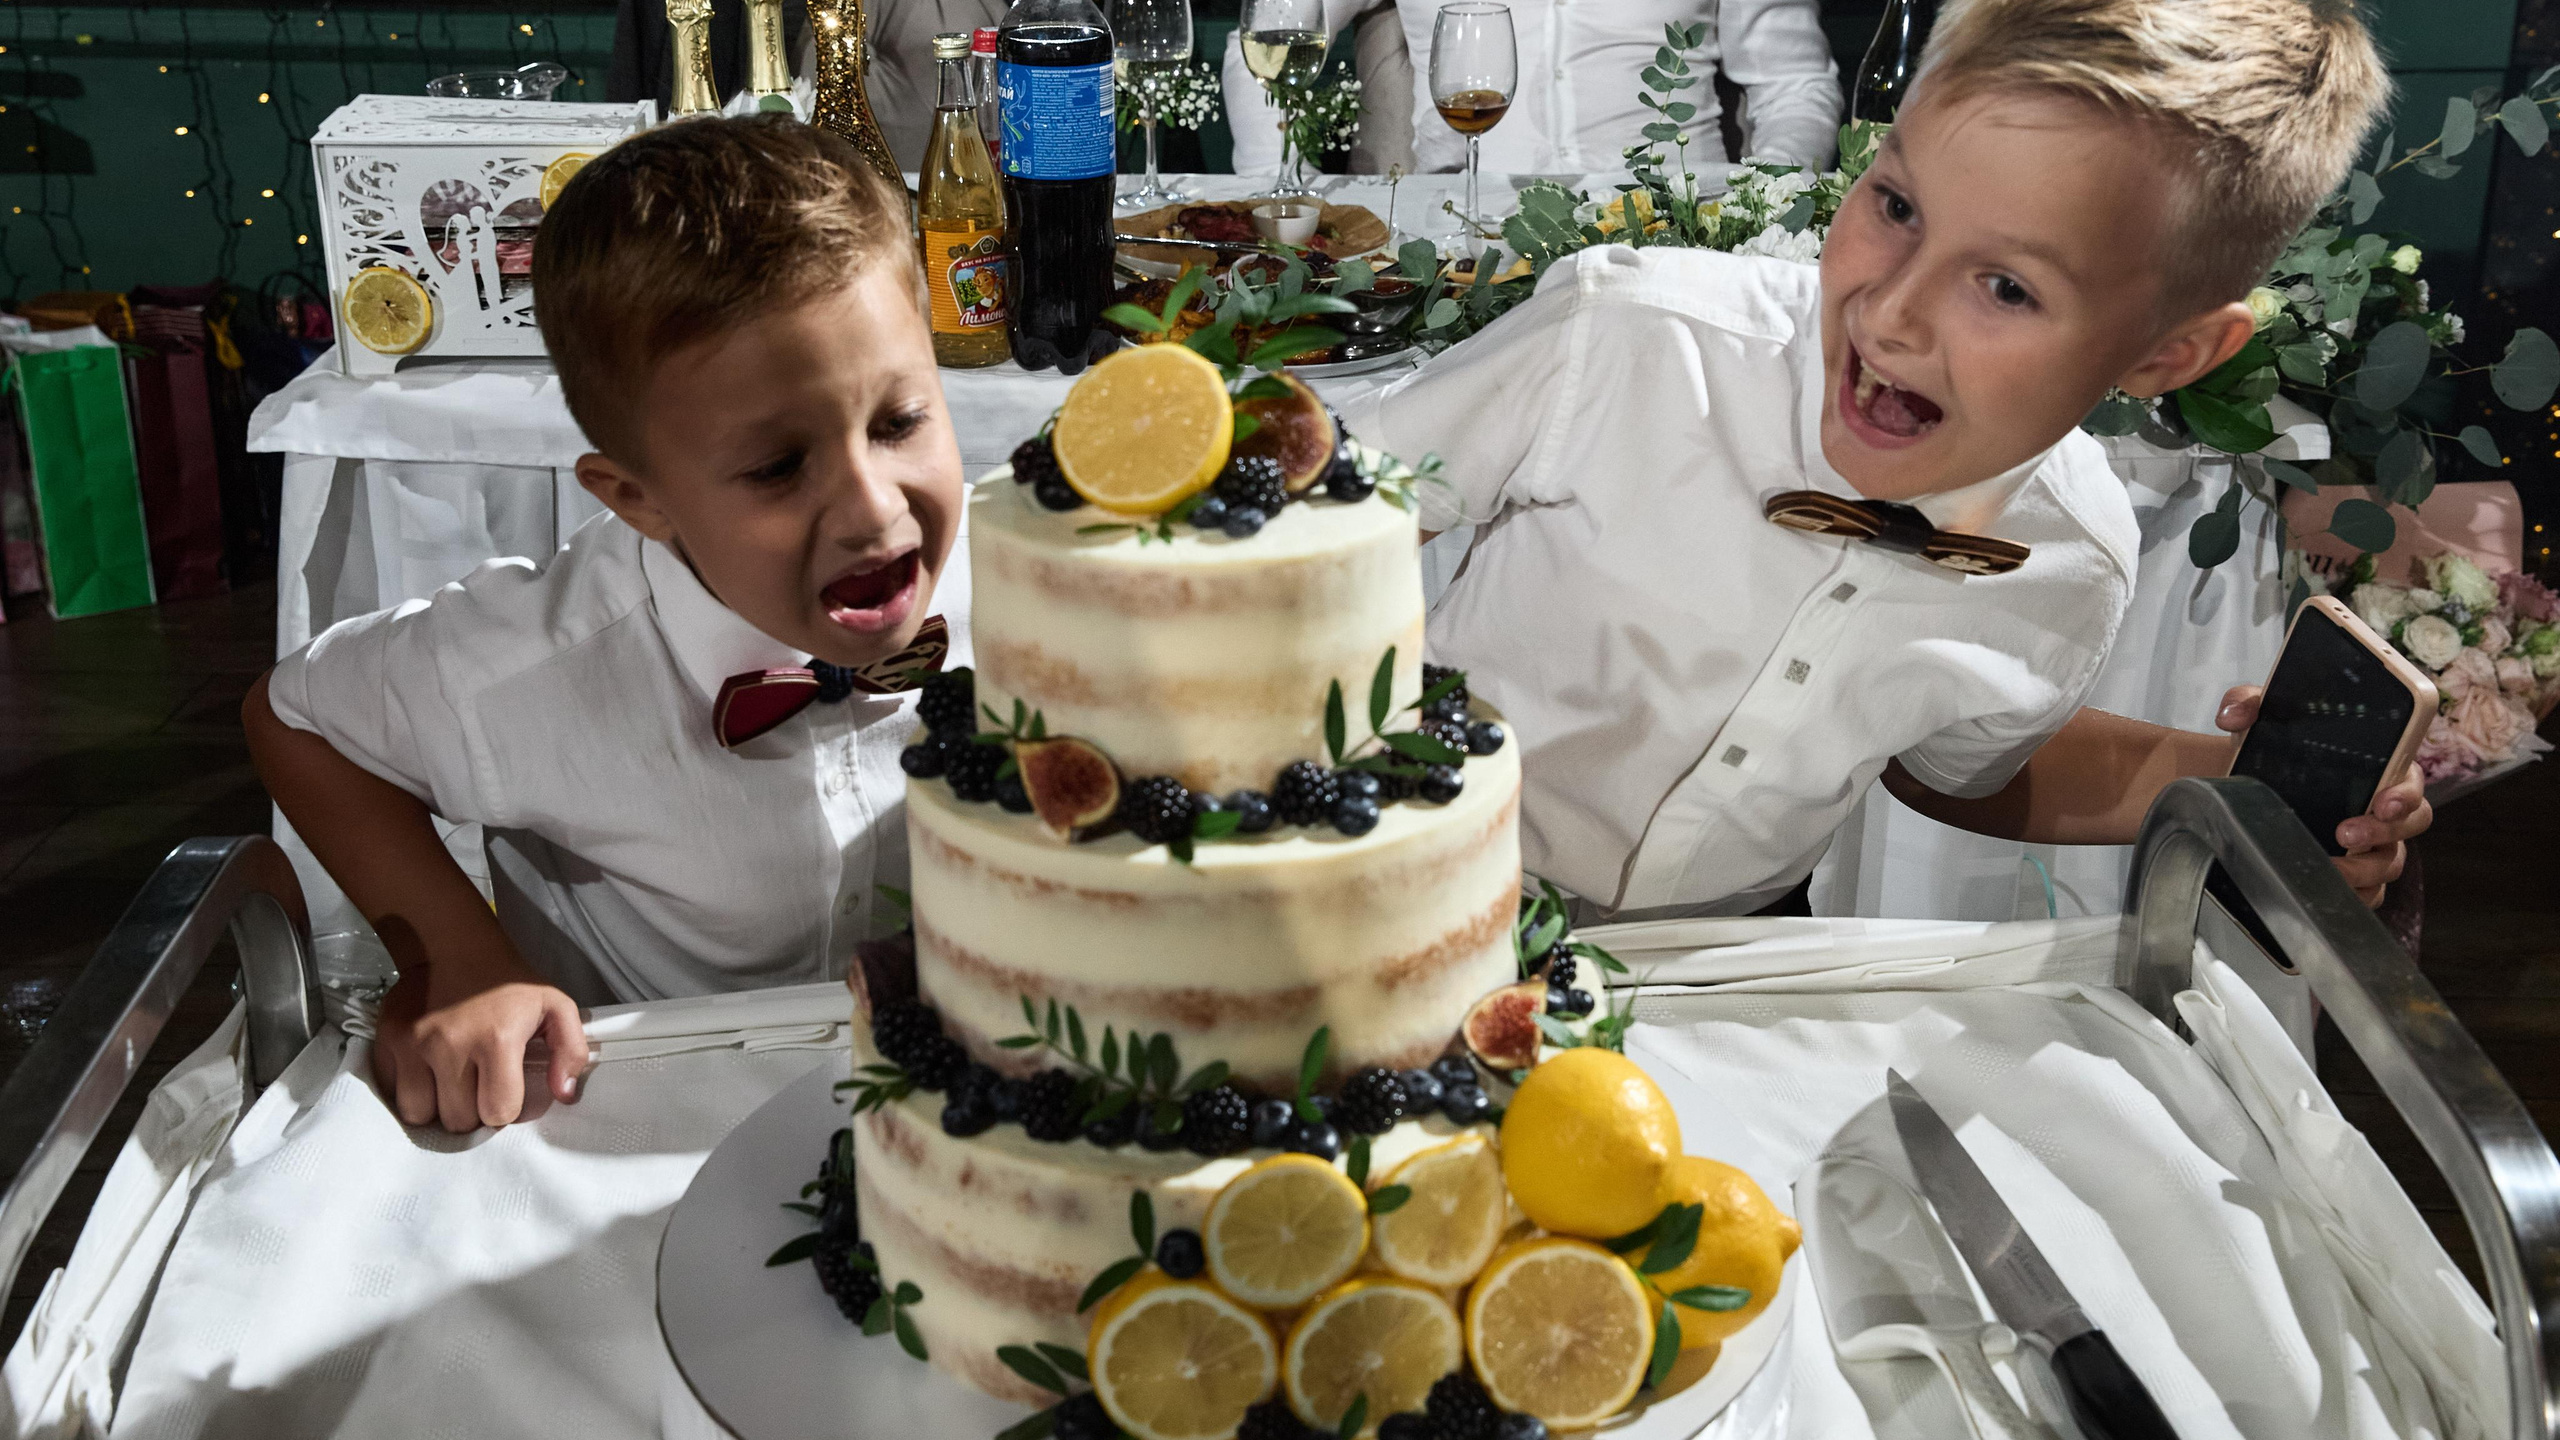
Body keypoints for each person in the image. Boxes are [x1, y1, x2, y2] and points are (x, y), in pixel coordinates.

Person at [1344, 0, 2426, 920]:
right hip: (1394, 889)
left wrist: (2252, 789)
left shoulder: (2076, 556)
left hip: (1730, 971)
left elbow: (1965, 768)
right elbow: (1331, 531)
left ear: (2165, 354)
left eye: (2006, 287)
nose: (1891, 315)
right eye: (1896, 207)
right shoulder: (1629, 334)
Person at [243, 116, 970, 1130]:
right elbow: (294, 717)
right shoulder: (535, 660)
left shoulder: (1036, 581)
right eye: (776, 467)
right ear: (637, 498)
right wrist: (455, 953)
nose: (875, 509)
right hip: (654, 1120)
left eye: (899, 422)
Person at [1221, 0, 1841, 177]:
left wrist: (1761, 204)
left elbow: (1794, 84)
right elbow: (1267, 38)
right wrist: (1277, 200)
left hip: (1677, 224)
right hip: (1461, 228)